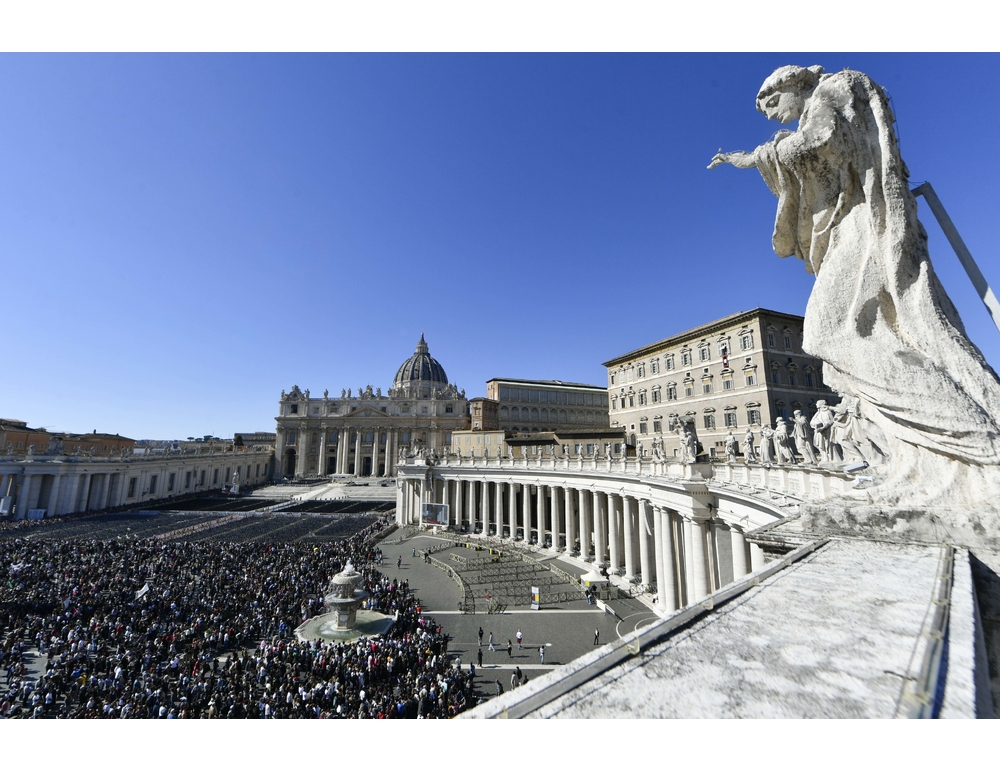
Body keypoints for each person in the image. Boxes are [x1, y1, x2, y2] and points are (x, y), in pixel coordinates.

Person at [710, 64, 1000, 507]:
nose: (768, 114)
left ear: (795, 84)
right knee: (851, 336)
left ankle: (972, 443)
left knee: (830, 333)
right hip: (850, 230)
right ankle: (928, 456)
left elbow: (820, 142)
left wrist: (777, 150)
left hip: (865, 228)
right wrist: (742, 158)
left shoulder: (832, 92)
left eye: (770, 100)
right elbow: (784, 152)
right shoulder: (809, 115)